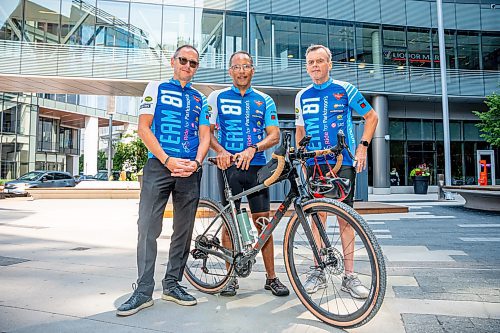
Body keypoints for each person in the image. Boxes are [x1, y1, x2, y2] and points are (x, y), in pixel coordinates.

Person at [117, 45, 211, 316]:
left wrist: (196, 162)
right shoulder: (155, 88)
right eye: (183, 60)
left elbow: (205, 135)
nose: (188, 66)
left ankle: (172, 285)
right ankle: (144, 291)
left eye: (193, 63)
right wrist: (168, 160)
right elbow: (143, 127)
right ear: (173, 61)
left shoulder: (200, 99)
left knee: (183, 231)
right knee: (147, 227)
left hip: (190, 170)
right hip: (159, 166)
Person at [295, 44, 379, 299]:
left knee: (346, 218)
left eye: (320, 61)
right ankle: (318, 270)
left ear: (329, 64)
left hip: (341, 162)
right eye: (311, 62)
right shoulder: (301, 95)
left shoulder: (345, 89)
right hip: (313, 164)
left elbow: (372, 116)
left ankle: (349, 276)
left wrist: (363, 148)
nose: (315, 66)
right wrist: (300, 157)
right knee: (317, 217)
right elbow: (300, 130)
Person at [207, 51, 289, 297]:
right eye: (236, 67)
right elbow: (207, 132)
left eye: (246, 66)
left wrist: (253, 148)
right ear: (230, 71)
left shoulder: (264, 100)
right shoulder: (216, 97)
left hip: (257, 168)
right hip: (228, 167)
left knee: (263, 224)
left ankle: (271, 278)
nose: (241, 71)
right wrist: (220, 151)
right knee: (230, 225)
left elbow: (273, 135)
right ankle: (230, 278)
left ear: (253, 70)